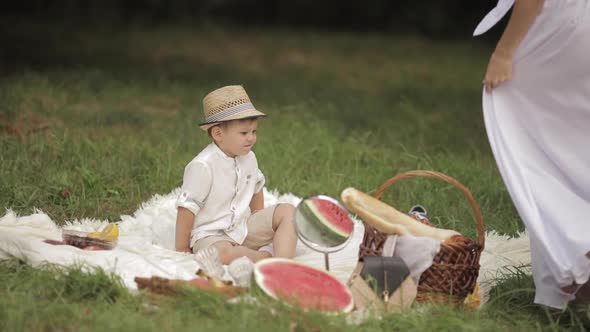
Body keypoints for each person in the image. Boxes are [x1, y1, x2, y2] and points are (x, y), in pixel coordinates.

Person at [474, 0, 590, 308]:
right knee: (574, 149)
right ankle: (561, 281)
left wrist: (504, 52)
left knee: (524, 144)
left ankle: (577, 250)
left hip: (558, 34)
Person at [174, 85, 298, 264]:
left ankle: (282, 263)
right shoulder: (203, 166)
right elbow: (187, 208)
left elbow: (257, 186)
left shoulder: (249, 157)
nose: (251, 138)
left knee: (288, 211)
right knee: (222, 252)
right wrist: (181, 249)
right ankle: (263, 257)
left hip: (242, 227)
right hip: (211, 235)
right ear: (218, 133)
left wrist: (258, 218)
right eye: (244, 133)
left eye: (254, 132)